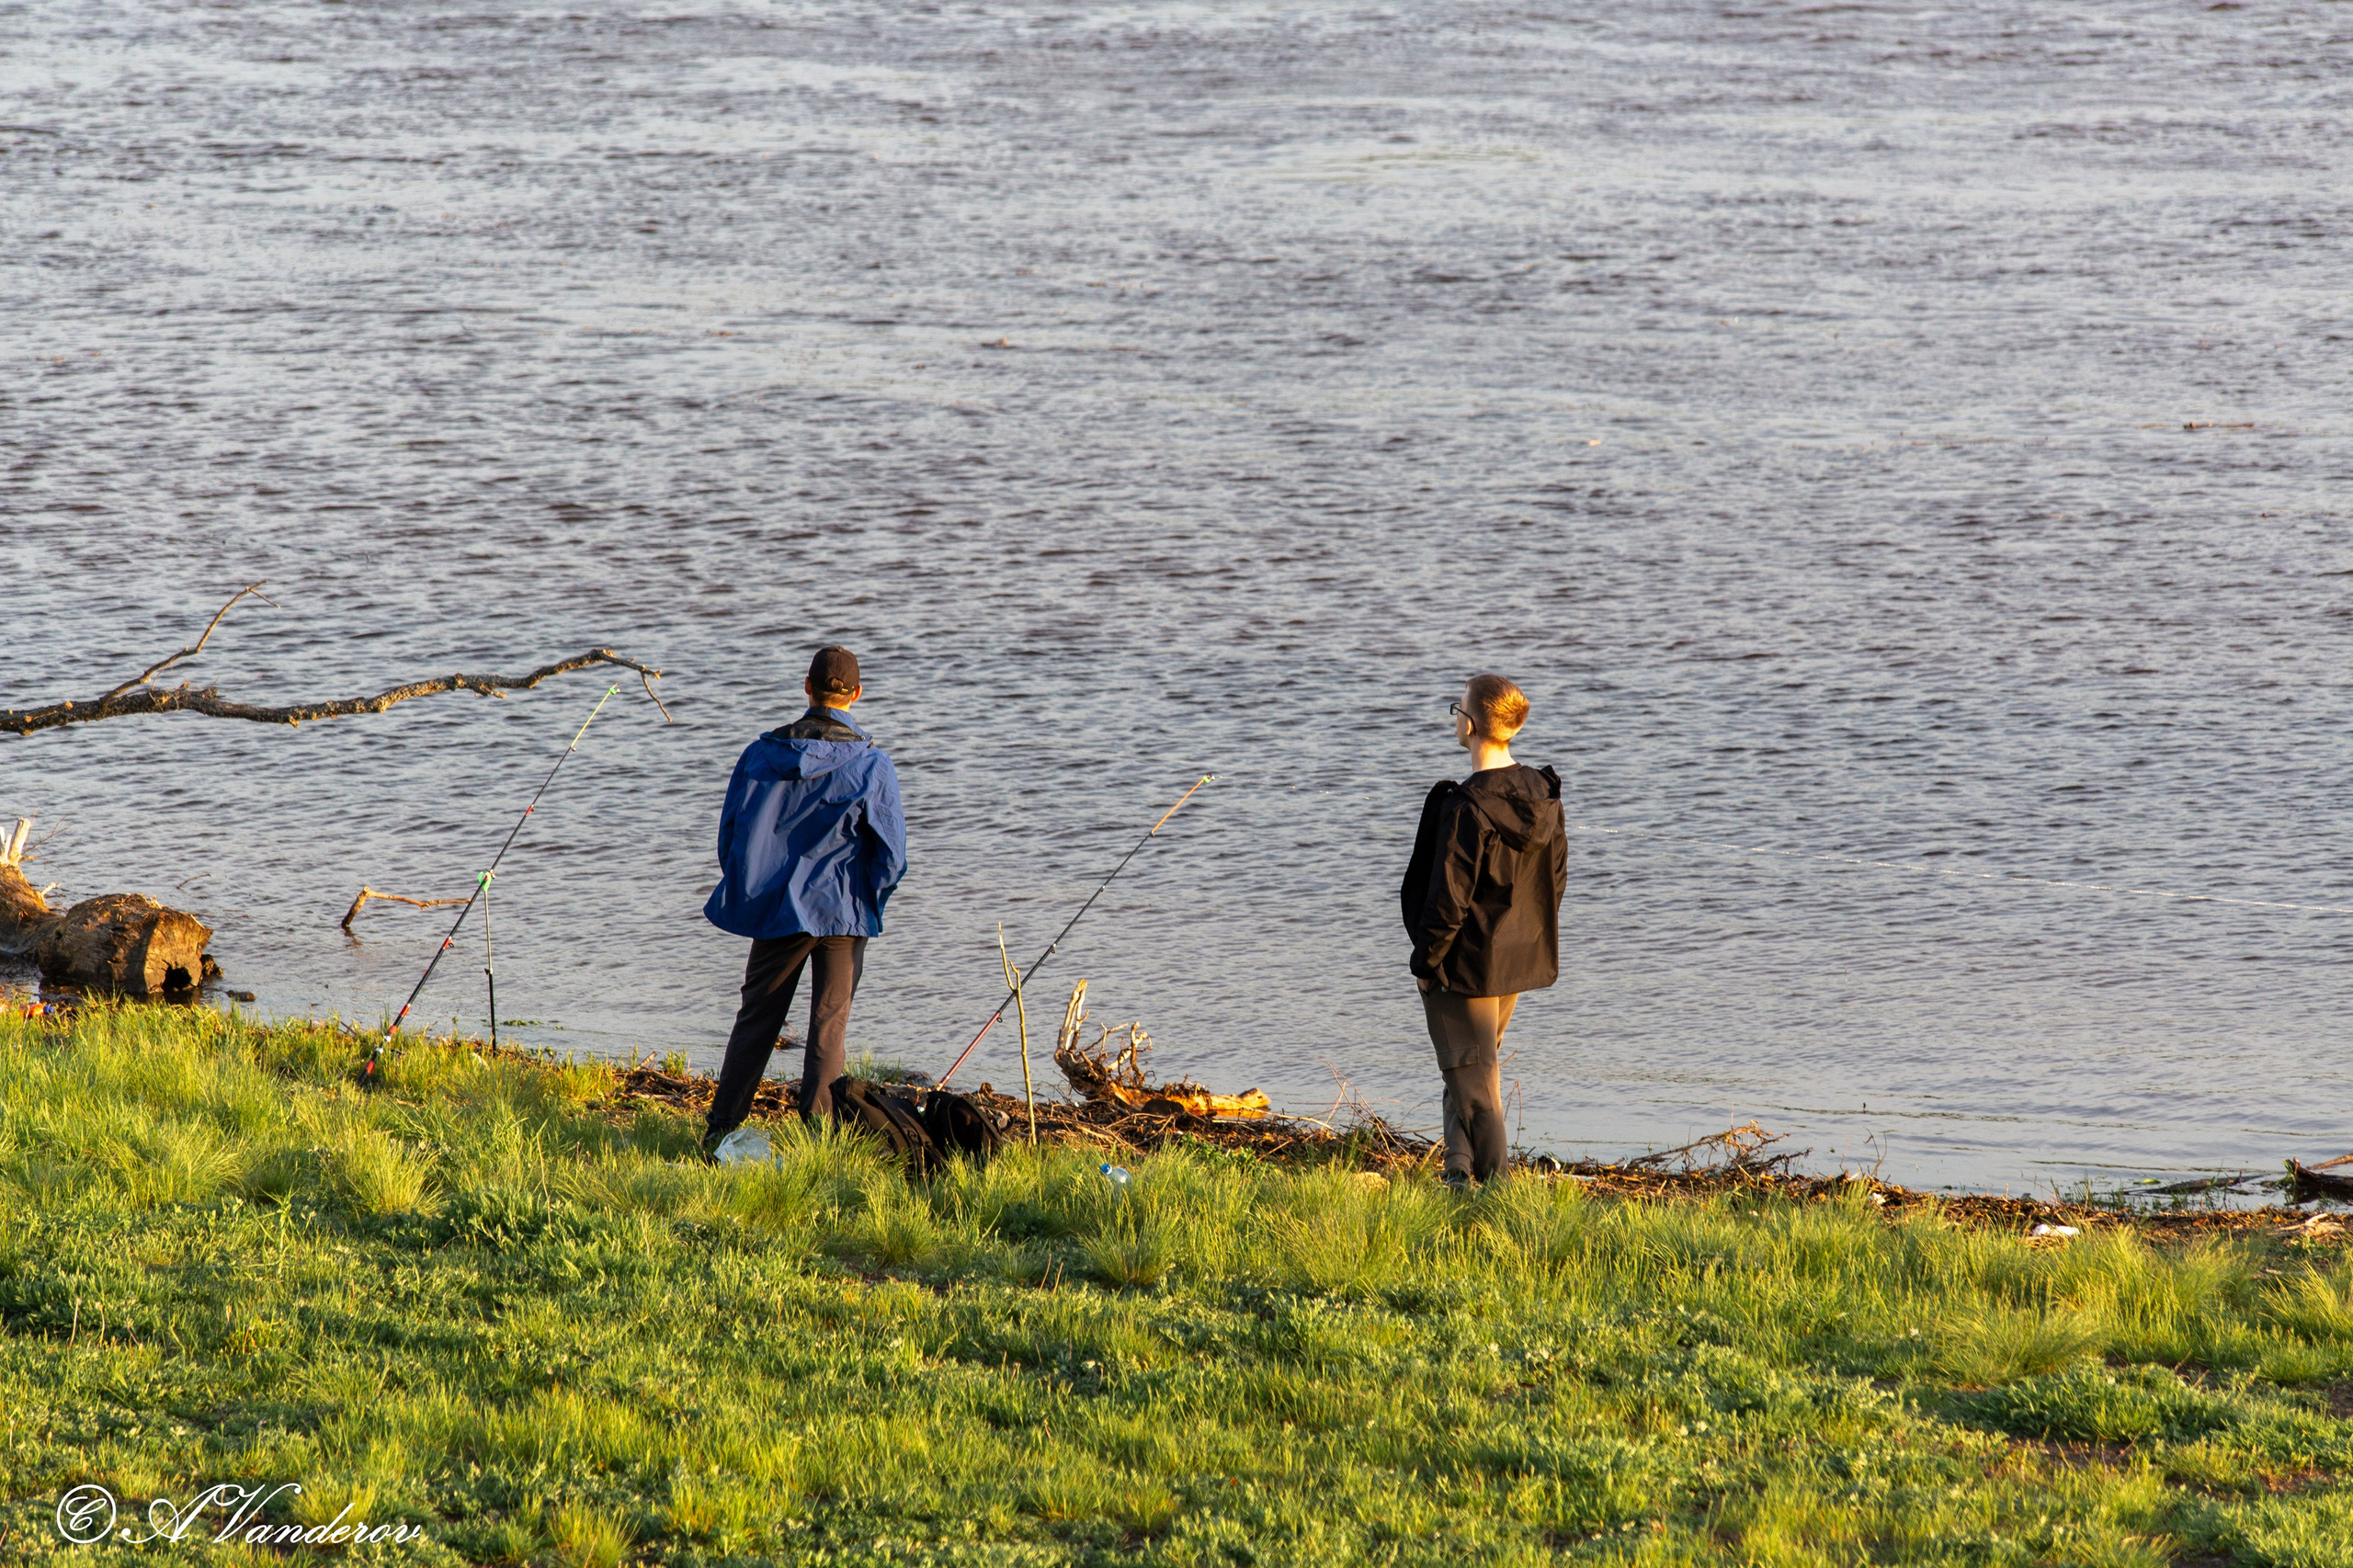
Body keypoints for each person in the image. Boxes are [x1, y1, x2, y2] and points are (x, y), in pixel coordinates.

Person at [701, 645, 907, 1155]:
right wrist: (869, 902)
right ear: (856, 694)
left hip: (777, 910)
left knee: (757, 1019)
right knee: (828, 1027)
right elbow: (891, 856)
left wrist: (756, 890)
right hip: (844, 912)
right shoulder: (872, 763)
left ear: (807, 687)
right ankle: (820, 1141)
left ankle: (720, 1130)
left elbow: (730, 839)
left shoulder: (759, 755)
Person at [1400, 674, 1565, 1186]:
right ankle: (1457, 1173)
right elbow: (1556, 879)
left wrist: (1426, 962)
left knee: (1474, 1085)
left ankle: (1497, 1192)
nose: (1455, 718)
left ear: (1471, 725)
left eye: (1458, 709)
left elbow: (1446, 900)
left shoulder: (1466, 808)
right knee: (1471, 1069)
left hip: (1463, 965)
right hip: (1513, 958)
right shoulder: (1542, 794)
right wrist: (1521, 934)